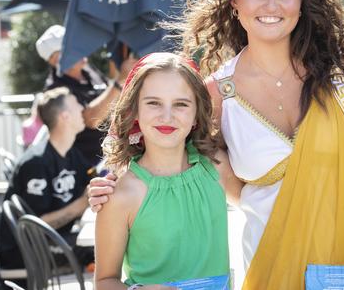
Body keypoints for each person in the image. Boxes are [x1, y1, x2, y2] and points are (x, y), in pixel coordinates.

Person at [89, 0, 344, 290]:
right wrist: (112, 183)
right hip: (275, 265)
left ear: (302, 1)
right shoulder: (216, 94)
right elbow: (172, 157)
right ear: (234, 1)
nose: (272, 4)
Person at [95, 53, 241, 290]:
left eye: (181, 104)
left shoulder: (217, 166)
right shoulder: (120, 195)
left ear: (196, 114)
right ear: (135, 111)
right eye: (153, 103)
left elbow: (261, 201)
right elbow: (104, 282)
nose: (167, 116)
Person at [0, 87, 93, 269]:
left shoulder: (71, 153)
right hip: (29, 253)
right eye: (77, 104)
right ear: (65, 116)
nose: (83, 109)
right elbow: (37, 225)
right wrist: (82, 204)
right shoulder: (36, 163)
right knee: (102, 254)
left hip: (53, 241)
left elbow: (92, 176)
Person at [35, 24, 136, 165]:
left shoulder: (88, 71)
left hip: (110, 156)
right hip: (86, 167)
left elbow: (111, 97)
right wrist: (119, 82)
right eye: (72, 48)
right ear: (55, 59)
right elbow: (90, 120)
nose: (80, 49)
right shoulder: (55, 89)